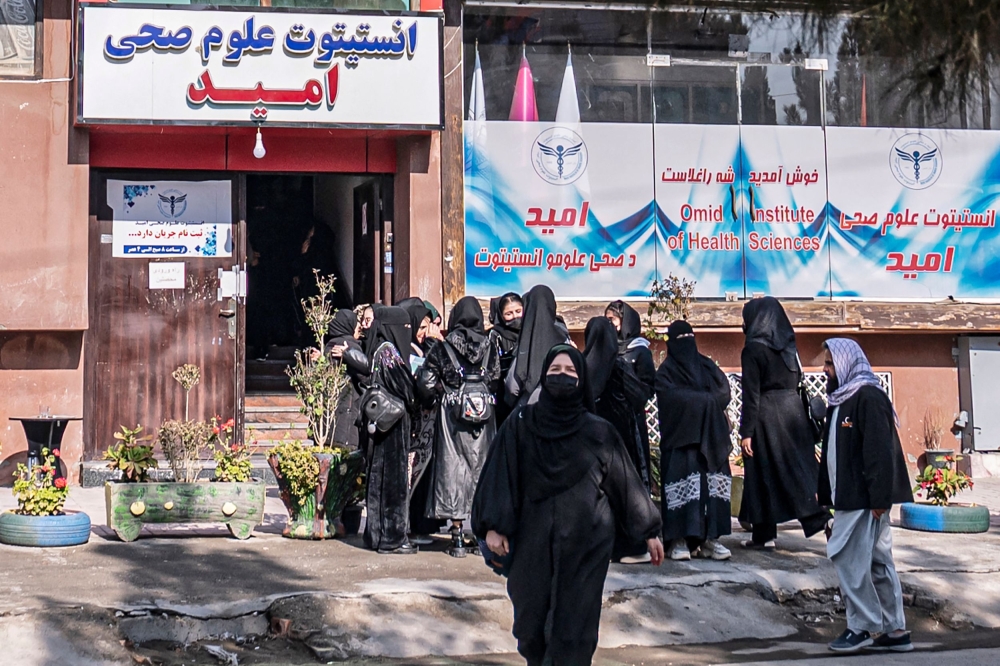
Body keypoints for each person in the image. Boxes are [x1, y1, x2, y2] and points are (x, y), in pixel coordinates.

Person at [472, 345, 665, 666]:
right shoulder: (521, 423)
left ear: (583, 380)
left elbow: (625, 482)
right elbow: (500, 473)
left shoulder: (599, 431)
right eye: (555, 371)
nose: (562, 378)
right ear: (544, 376)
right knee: (530, 628)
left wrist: (649, 530)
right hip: (531, 540)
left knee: (574, 631)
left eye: (571, 373)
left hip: (586, 544)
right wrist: (494, 525)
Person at [819, 338, 914, 653]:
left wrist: (878, 500)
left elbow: (878, 453)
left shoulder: (868, 397)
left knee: (847, 558)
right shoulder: (842, 399)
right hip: (849, 497)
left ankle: (861, 626)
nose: (825, 369)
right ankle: (895, 629)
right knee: (876, 562)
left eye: (830, 363)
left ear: (846, 363)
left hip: (863, 500)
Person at [738, 297, 829, 548]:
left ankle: (820, 521)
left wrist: (746, 431)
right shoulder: (789, 346)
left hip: (767, 417)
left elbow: (751, 394)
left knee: (765, 473)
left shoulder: (752, 350)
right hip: (794, 414)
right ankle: (763, 535)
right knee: (798, 469)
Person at [417, 296, 501, 557]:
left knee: (453, 470)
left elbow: (425, 382)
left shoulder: (443, 348)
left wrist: (438, 398)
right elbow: (496, 379)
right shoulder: (490, 347)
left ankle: (456, 536)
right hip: (484, 421)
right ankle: (479, 533)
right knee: (481, 470)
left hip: (451, 418)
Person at [655, 320, 733, 561]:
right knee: (682, 490)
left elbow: (724, 392)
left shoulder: (706, 365)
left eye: (690, 335)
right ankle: (678, 541)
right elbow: (669, 399)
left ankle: (710, 540)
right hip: (681, 442)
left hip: (710, 439)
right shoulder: (666, 371)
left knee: (712, 489)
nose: (687, 342)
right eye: (681, 337)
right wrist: (704, 402)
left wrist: (697, 402)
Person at [583, 316, 650, 564]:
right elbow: (639, 396)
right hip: (622, 439)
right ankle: (630, 545)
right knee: (624, 492)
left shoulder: (583, 364)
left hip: (595, 442)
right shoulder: (619, 364)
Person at [362, 306, 418, 555]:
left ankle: (376, 534)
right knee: (393, 482)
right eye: (404, 327)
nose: (407, 332)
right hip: (393, 427)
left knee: (378, 480)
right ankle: (392, 538)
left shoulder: (377, 349)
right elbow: (407, 390)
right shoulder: (389, 353)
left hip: (381, 424)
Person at [398, 296, 447, 541]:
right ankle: (408, 526)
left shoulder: (423, 346)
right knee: (410, 475)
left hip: (424, 426)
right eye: (420, 327)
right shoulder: (401, 349)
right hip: (412, 423)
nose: (423, 332)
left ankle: (418, 524)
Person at [606, 300, 656, 488]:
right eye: (607, 320)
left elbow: (648, 386)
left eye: (613, 319)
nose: (610, 324)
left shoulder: (639, 350)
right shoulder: (605, 347)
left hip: (631, 420)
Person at [506, 285, 568, 407]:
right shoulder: (564, 337)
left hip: (531, 410)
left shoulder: (526, 339)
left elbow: (512, 387)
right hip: (561, 409)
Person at [323, 309, 369, 452]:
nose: (359, 326)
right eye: (356, 323)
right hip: (348, 416)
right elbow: (366, 378)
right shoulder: (350, 346)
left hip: (330, 417)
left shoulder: (328, 345)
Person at [488, 292, 523, 426]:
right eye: (509, 314)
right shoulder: (496, 334)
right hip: (503, 396)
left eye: (518, 311)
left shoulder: (530, 331)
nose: (515, 316)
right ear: (501, 316)